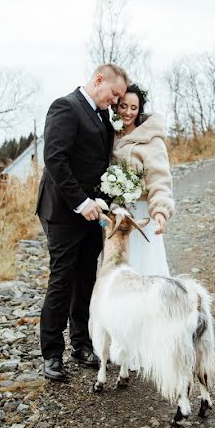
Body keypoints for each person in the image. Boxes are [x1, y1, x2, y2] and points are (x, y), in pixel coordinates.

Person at [35, 63, 130, 381]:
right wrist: (80, 202)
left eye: (118, 98)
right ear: (99, 80)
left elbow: (101, 164)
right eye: (114, 94)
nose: (115, 102)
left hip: (95, 213)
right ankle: (51, 354)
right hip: (63, 211)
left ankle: (81, 344)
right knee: (62, 280)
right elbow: (56, 159)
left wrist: (109, 201)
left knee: (86, 278)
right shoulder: (65, 107)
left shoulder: (104, 116)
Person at [110, 83, 174, 277]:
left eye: (133, 108)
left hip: (141, 215)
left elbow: (160, 179)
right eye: (123, 106)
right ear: (116, 106)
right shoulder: (109, 134)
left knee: (143, 266)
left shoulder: (151, 140)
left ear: (139, 110)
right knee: (117, 266)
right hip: (115, 215)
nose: (128, 112)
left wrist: (160, 211)